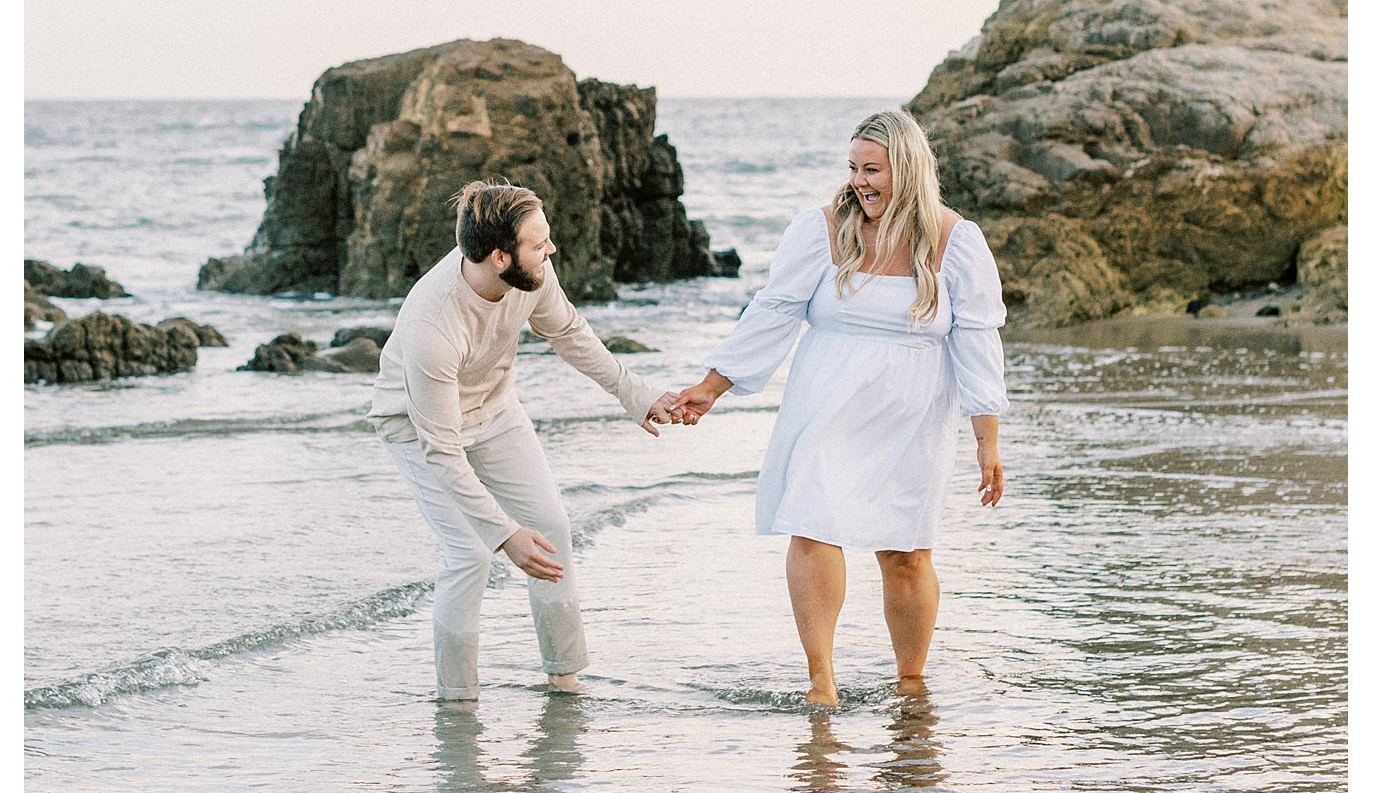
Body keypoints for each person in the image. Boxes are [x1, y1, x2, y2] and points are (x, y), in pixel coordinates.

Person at [672, 110, 1008, 709]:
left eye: (872, 169)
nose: (860, 181)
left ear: (906, 170)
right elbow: (773, 311)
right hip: (826, 403)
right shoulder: (822, 230)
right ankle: (822, 679)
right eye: (853, 168)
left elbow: (978, 339)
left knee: (905, 549)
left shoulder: (956, 240)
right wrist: (712, 386)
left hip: (914, 415)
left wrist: (988, 439)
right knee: (815, 522)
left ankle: (910, 682)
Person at [369, 179, 676, 701]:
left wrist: (634, 394)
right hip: (417, 425)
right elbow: (442, 451)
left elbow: (569, 333)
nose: (551, 251)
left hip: (493, 409)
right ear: (498, 257)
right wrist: (505, 534)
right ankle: (457, 699)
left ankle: (565, 678)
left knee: (551, 526)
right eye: (539, 244)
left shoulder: (532, 273)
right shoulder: (433, 326)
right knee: (470, 553)